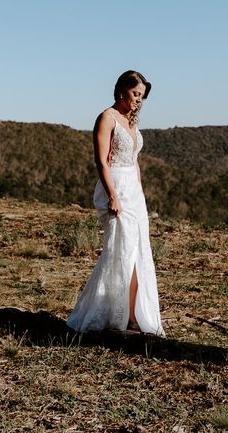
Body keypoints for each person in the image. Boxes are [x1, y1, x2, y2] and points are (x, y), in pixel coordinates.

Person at [67, 70, 165, 336]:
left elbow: (134, 161)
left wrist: (140, 192)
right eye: (135, 94)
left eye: (142, 96)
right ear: (122, 90)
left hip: (134, 191)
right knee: (119, 251)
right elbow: (101, 161)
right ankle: (112, 314)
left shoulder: (131, 121)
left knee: (137, 254)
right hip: (115, 188)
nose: (138, 100)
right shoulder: (106, 118)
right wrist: (112, 195)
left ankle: (133, 315)